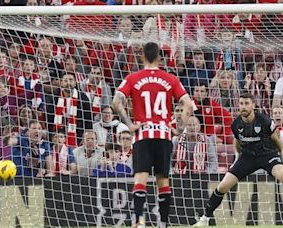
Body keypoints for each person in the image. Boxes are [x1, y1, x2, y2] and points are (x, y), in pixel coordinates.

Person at [113, 42, 193, 228]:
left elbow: (117, 102)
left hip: (143, 135)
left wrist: (130, 124)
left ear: (142, 57)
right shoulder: (171, 79)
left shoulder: (132, 78)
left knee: (140, 178)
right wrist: (179, 129)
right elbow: (188, 105)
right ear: (159, 58)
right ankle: (163, 224)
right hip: (164, 136)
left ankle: (139, 222)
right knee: (163, 181)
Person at [194, 93, 283, 227]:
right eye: (241, 104)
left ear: (253, 105)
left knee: (282, 175)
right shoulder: (236, 124)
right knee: (222, 186)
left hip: (267, 155)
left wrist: (281, 154)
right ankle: (205, 219)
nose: (244, 107)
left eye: (247, 103)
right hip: (247, 157)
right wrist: (237, 156)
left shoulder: (264, 121)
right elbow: (237, 141)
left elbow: (276, 140)